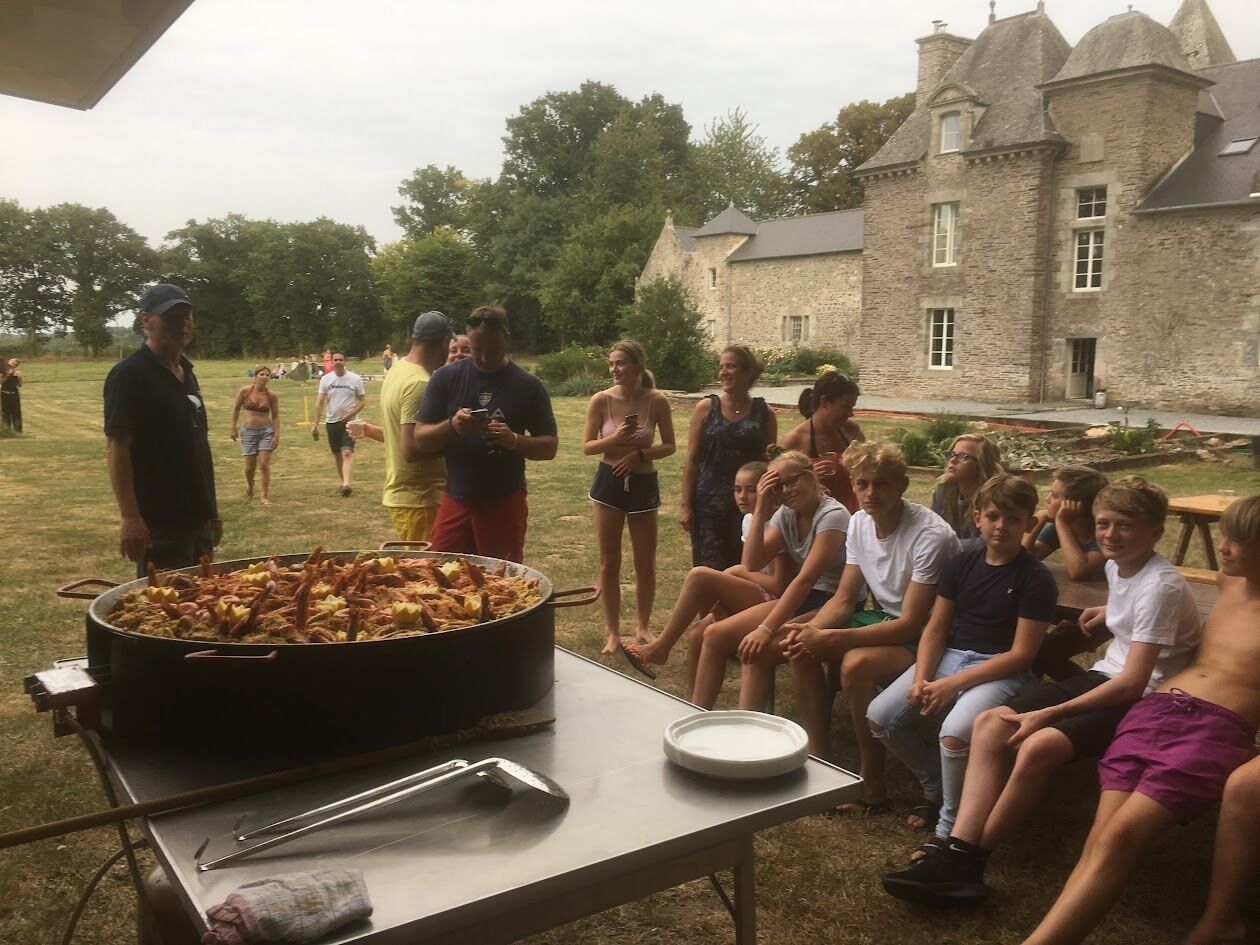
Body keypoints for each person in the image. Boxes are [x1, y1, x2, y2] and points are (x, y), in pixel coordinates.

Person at [884, 476, 1201, 904]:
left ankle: (966, 861)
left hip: (1145, 697)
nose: (1110, 534)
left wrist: (1049, 713)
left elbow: (1133, 683)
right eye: (1104, 523)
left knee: (1037, 746)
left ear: (1156, 533)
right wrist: (1109, 609)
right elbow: (1136, 604)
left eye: (1125, 526)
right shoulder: (1120, 565)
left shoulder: (1161, 587)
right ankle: (958, 850)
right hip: (1106, 677)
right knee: (990, 723)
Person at [1020, 493, 1260, 945]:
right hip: (1156, 709)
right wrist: (1115, 611)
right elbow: (1166, 601)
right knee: (1103, 836)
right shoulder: (1231, 581)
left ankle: (1220, 924)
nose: (1222, 548)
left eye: (1236, 540)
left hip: (1215, 727)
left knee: (1123, 835)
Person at [867, 474, 1056, 852]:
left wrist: (952, 684)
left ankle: (948, 828)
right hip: (951, 657)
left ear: (1029, 523)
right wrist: (922, 678)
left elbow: (1022, 654)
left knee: (953, 733)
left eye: (1013, 519)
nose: (1001, 526)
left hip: (1002, 669)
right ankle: (934, 782)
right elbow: (936, 628)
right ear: (977, 517)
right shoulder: (960, 563)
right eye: (993, 516)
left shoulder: (1036, 578)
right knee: (879, 717)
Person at [783, 441, 960, 814]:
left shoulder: (930, 535)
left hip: (935, 633)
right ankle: (821, 762)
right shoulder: (859, 523)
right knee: (802, 647)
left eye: (881, 484)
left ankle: (872, 785)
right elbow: (844, 598)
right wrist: (814, 632)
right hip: (887, 619)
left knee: (856, 664)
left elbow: (911, 624)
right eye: (861, 483)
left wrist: (831, 636)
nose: (870, 493)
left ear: (902, 486)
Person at [683, 450, 848, 710]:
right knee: (713, 634)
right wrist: (760, 508)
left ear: (810, 477)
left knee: (755, 650)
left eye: (792, 481)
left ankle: (749, 729)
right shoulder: (787, 514)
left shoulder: (832, 515)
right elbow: (752, 563)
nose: (786, 491)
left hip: (831, 601)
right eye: (779, 486)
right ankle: (697, 714)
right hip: (802, 598)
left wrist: (765, 629)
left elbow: (805, 580)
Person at [621, 459, 790, 689]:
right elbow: (749, 570)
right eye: (737, 489)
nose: (742, 497)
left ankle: (661, 648)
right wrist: (733, 588)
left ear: (768, 490)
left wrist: (737, 572)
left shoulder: (779, 522)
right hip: (756, 594)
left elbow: (779, 584)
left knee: (700, 576)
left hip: (778, 602)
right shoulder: (749, 520)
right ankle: (694, 704)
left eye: (751, 490)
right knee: (697, 635)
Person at [414, 304, 558, 562]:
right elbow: (420, 439)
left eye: (493, 351)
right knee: (440, 572)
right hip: (456, 498)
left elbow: (549, 447)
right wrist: (452, 426)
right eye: (476, 350)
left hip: (504, 500)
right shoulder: (445, 378)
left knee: (502, 579)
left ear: (507, 339)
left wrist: (513, 440)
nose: (483, 358)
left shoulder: (528, 386)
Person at [103, 283, 221, 575]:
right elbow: (117, 447)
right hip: (161, 524)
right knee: (165, 601)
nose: (182, 323)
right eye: (171, 317)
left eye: (186, 316)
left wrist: (212, 512)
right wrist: (130, 517)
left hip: (198, 521)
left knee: (206, 598)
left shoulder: (186, 372)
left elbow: (197, 448)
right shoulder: (130, 374)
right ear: (146, 320)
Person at [583, 340, 677, 655]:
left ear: (637, 366)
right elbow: (587, 447)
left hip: (643, 483)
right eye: (611, 363)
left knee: (645, 562)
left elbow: (669, 446)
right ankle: (612, 633)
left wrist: (639, 454)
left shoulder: (657, 401)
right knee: (609, 562)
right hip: (608, 483)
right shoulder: (601, 400)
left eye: (621, 363)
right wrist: (615, 438)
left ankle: (643, 626)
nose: (614, 369)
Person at [350, 312, 453, 542]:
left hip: (407, 498)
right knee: (425, 564)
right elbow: (411, 449)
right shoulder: (419, 383)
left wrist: (370, 430)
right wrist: (456, 439)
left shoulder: (398, 371)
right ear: (443, 343)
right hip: (420, 500)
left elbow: (399, 435)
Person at [680, 345, 777, 570]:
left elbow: (770, 462)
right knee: (708, 571)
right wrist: (686, 505)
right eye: (721, 367)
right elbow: (692, 460)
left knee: (746, 570)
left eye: (730, 366)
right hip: (708, 507)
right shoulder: (706, 408)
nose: (723, 372)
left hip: (749, 506)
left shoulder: (764, 413)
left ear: (747, 372)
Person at [1025, 465, 1112, 681]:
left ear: (1075, 506)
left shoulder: (1103, 531)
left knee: (1042, 652)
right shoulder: (1061, 527)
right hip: (1078, 609)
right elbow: (1025, 559)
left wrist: (1062, 522)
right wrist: (1037, 523)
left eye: (1054, 495)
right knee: (1040, 652)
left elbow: (1079, 570)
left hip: (1109, 613)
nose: (1047, 499)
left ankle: (1092, 690)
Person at [780, 371, 864, 512]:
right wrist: (808, 478)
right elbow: (779, 491)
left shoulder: (851, 431)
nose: (851, 413)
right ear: (824, 402)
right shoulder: (795, 441)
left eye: (852, 407)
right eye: (846, 407)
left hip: (851, 515)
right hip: (817, 518)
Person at [931, 433, 1004, 552]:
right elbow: (932, 530)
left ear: (981, 464)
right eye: (952, 454)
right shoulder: (943, 489)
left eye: (962, 457)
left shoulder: (995, 497)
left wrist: (947, 546)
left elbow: (988, 541)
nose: (953, 460)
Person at [312, 351, 365, 497]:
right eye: (335, 360)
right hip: (332, 422)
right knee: (337, 454)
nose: (338, 362)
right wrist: (315, 424)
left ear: (345, 361)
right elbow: (319, 403)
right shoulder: (326, 379)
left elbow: (362, 401)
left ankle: (347, 484)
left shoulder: (355, 379)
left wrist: (349, 415)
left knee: (347, 452)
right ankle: (343, 483)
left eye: (340, 359)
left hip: (350, 422)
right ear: (332, 362)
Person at [229, 365, 281, 505]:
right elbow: (235, 409)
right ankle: (250, 486)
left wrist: (276, 435)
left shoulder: (271, 396)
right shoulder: (245, 391)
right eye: (262, 374)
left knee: (264, 464)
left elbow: (276, 416)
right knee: (249, 468)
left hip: (266, 431)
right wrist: (233, 427)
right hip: (248, 432)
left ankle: (264, 496)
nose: (264, 377)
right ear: (255, 376)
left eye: (267, 375)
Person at [0, 358, 21, 432]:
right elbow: (1, 382)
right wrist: (7, 375)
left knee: (16, 412)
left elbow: (20, 385)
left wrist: (19, 377)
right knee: (5, 412)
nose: (11, 365)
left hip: (14, 394)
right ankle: (6, 430)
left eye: (14, 364)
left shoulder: (17, 373)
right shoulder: (3, 372)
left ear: (16, 366)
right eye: (11, 363)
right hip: (4, 393)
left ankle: (17, 430)